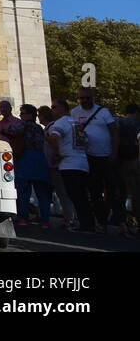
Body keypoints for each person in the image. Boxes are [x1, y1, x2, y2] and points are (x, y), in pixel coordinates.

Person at [71, 87, 120, 234]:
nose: (85, 101)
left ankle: (122, 223)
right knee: (95, 192)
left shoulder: (103, 112)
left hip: (106, 156)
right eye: (82, 98)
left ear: (92, 98)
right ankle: (102, 223)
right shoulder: (75, 112)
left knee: (113, 191)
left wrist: (114, 153)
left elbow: (114, 133)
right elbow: (75, 133)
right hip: (87, 157)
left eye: (87, 98)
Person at [46, 99, 94, 233]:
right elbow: (85, 141)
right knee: (83, 196)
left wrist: (57, 153)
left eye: (54, 107)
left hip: (69, 163)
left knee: (75, 195)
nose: (52, 110)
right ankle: (88, 224)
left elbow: (54, 138)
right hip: (82, 162)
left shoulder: (60, 123)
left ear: (62, 108)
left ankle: (84, 225)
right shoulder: (76, 122)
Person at [12, 103, 52, 228]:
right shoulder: (39, 128)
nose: (20, 115)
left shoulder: (23, 126)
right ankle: (45, 220)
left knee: (24, 191)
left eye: (22, 113)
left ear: (29, 115)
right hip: (40, 159)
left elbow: (11, 130)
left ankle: (24, 218)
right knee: (42, 192)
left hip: (26, 158)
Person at [39, 104, 77, 229]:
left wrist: (58, 154)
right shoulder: (54, 125)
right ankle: (69, 217)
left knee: (62, 192)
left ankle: (69, 219)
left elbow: (55, 141)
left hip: (56, 165)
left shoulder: (53, 127)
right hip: (55, 164)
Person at [119, 103, 140, 238]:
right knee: (137, 194)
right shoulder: (137, 124)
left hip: (120, 162)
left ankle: (123, 223)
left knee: (121, 193)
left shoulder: (119, 122)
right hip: (135, 161)